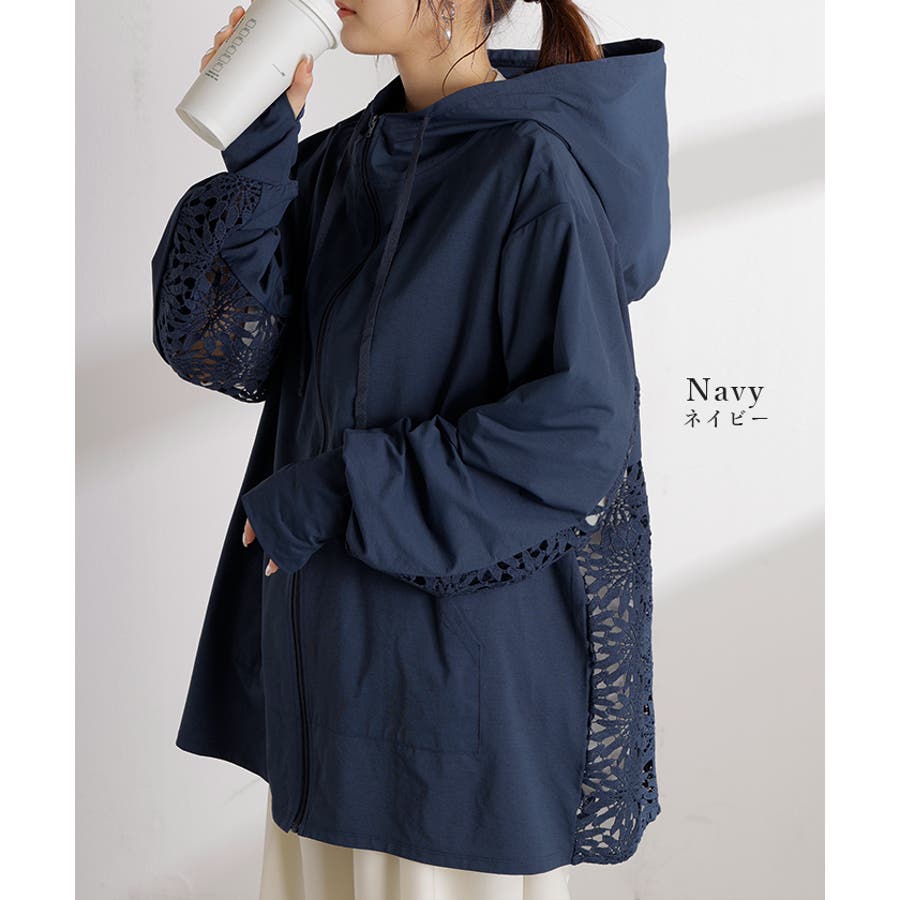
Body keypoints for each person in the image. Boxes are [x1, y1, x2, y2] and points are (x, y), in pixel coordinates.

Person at [151, 1, 670, 896]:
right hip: (324, 692)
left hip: (454, 727)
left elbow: (579, 431)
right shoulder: (350, 160)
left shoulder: (532, 168)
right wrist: (263, 149)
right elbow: (224, 347)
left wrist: (338, 490)